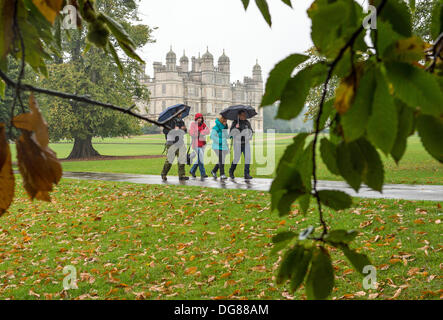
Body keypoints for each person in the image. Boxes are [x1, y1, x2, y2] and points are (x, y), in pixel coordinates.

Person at [160, 111, 189, 181]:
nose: (180, 114)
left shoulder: (181, 121)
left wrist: (184, 129)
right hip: (171, 142)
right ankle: (164, 174)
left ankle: (181, 175)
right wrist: (174, 129)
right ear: (174, 113)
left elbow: (184, 132)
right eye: (179, 113)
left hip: (180, 142)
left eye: (181, 113)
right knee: (170, 160)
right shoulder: (169, 121)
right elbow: (165, 131)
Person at [229, 110, 254, 180]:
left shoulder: (247, 122)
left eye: (244, 115)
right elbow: (231, 133)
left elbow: (251, 131)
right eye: (242, 115)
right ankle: (231, 171)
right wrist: (235, 128)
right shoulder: (235, 122)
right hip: (237, 144)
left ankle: (246, 174)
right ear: (239, 115)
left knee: (248, 158)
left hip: (246, 143)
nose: (244, 116)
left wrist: (250, 136)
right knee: (237, 159)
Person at [189, 113, 210, 178]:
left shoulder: (203, 124)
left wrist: (201, 133)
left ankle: (192, 170)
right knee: (201, 159)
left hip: (203, 143)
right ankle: (203, 173)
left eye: (201, 118)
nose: (200, 119)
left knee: (199, 159)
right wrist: (199, 133)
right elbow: (191, 133)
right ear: (196, 119)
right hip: (196, 144)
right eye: (198, 118)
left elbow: (208, 131)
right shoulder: (193, 124)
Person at [210, 115, 229, 180]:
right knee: (221, 160)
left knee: (221, 160)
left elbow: (226, 136)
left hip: (224, 146)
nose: (225, 122)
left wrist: (231, 135)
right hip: (217, 146)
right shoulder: (215, 128)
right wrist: (220, 141)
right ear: (221, 121)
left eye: (226, 121)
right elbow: (212, 136)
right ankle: (222, 174)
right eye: (224, 121)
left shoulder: (224, 128)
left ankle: (214, 171)